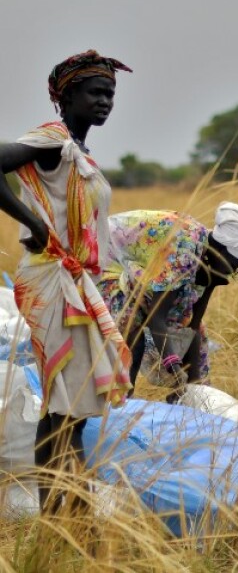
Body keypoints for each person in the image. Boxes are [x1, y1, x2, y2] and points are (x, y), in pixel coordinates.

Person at [0, 51, 133, 515]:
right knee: (62, 407)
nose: (105, 101)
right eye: (96, 92)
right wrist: (31, 222)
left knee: (74, 408)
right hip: (51, 278)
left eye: (111, 94)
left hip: (75, 280)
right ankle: (60, 520)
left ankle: (70, 514)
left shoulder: (79, 149)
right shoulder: (53, 140)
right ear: (67, 95)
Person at [97, 202, 238, 403]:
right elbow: (156, 317)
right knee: (131, 327)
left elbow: (191, 326)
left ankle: (191, 403)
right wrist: (173, 365)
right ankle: (120, 404)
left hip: (133, 264)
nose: (234, 273)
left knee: (197, 337)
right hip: (102, 256)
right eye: (235, 266)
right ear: (220, 250)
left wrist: (185, 375)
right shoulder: (185, 251)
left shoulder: (208, 256)